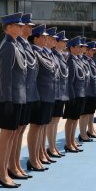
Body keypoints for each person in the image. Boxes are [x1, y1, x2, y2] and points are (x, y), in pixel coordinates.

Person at [0, 12, 26, 188]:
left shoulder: (15, 44)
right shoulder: (8, 46)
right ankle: (1, 174)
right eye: (18, 25)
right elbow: (5, 77)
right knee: (6, 136)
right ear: (9, 27)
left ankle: (6, 171)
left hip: (16, 97)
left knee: (11, 135)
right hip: (7, 98)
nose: (21, 27)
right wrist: (9, 100)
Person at [7, 13, 36, 180]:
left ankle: (15, 163)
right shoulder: (15, 44)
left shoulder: (24, 44)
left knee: (20, 131)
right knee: (15, 132)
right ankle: (12, 165)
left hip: (26, 93)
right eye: (27, 26)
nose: (29, 28)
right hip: (18, 93)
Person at [27, 24, 55, 171]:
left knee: (42, 127)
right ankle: (33, 159)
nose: (46, 39)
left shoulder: (44, 52)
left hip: (48, 95)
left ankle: (38, 155)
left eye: (46, 37)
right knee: (36, 127)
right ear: (36, 38)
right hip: (39, 95)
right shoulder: (34, 52)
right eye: (43, 37)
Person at [46, 30, 69, 158]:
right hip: (54, 92)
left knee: (55, 120)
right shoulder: (54, 54)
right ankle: (50, 146)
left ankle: (53, 146)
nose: (65, 44)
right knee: (51, 121)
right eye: (62, 41)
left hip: (60, 92)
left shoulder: (60, 55)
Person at [63, 36, 86, 153]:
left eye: (79, 47)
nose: (79, 49)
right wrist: (72, 96)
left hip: (80, 93)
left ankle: (72, 141)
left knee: (75, 119)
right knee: (71, 120)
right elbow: (70, 81)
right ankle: (68, 143)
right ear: (71, 48)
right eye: (77, 47)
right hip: (74, 95)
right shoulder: (71, 61)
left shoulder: (77, 59)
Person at [78, 40, 96, 142]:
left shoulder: (90, 60)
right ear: (87, 50)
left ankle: (90, 131)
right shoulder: (84, 60)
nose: (93, 52)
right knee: (84, 114)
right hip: (87, 91)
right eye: (92, 50)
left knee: (90, 112)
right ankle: (83, 134)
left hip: (92, 91)